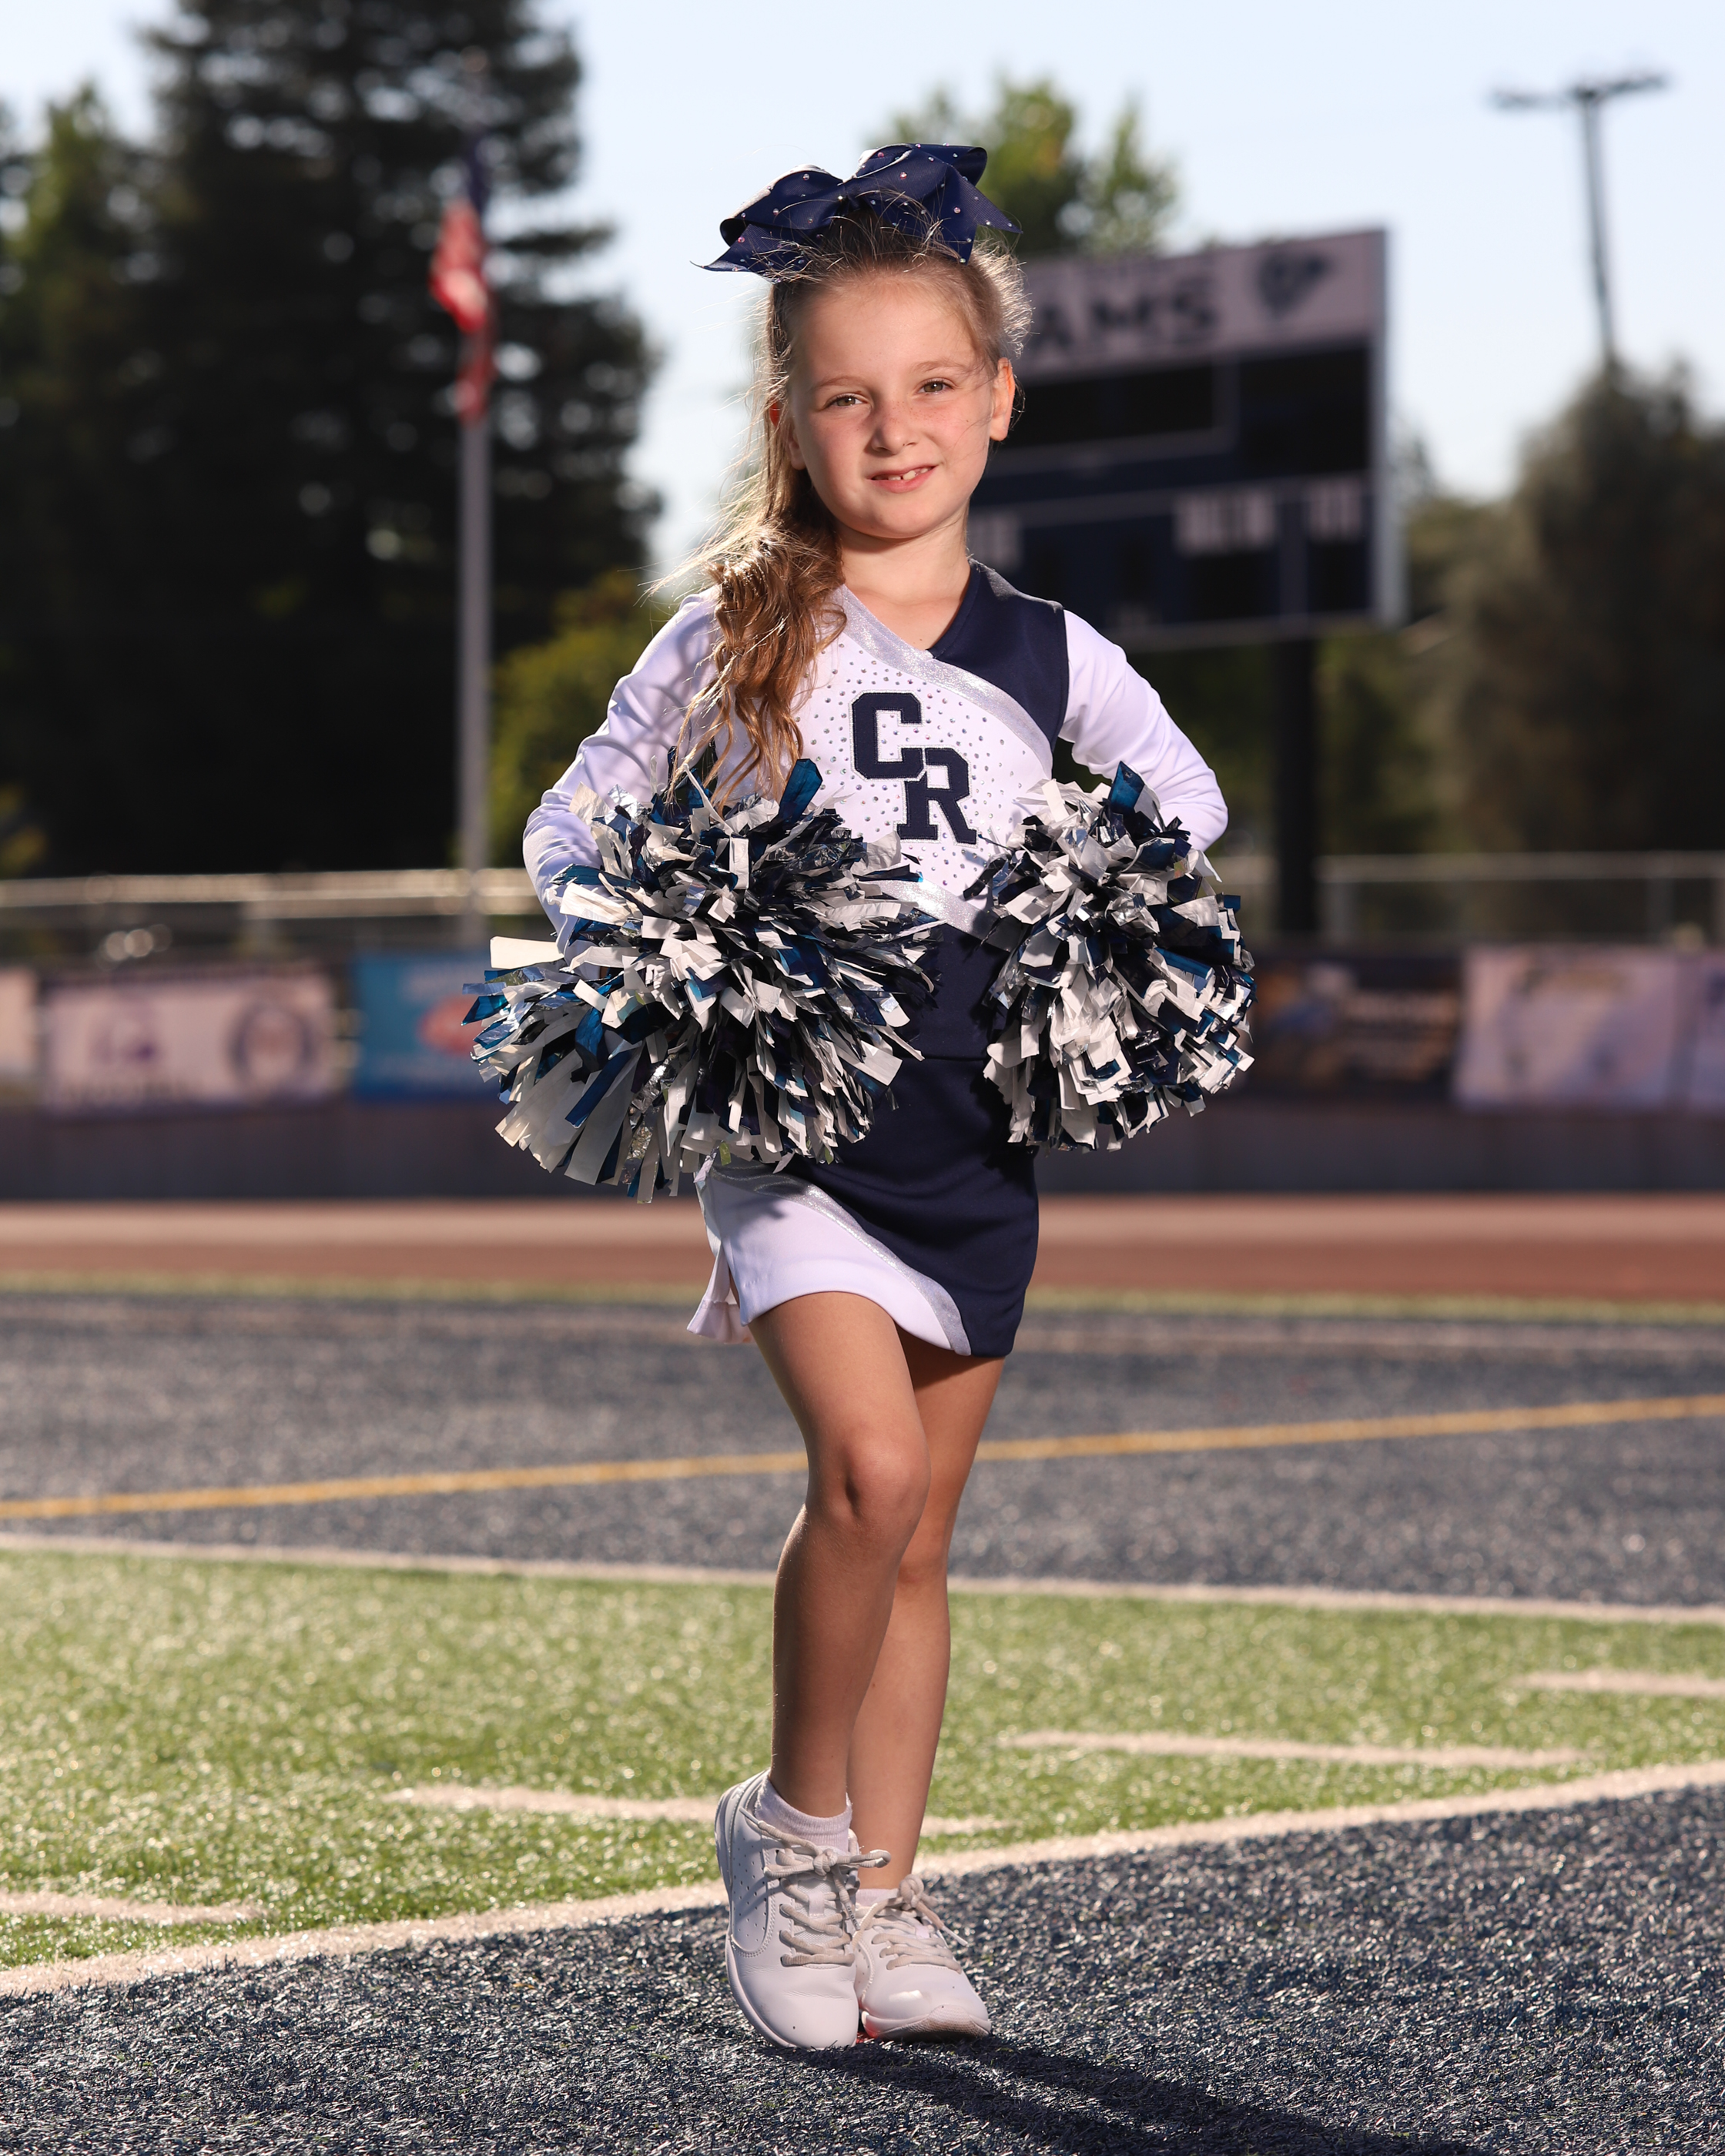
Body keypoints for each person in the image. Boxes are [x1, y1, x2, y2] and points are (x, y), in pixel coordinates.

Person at [523, 146, 1228, 2050]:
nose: (893, 427)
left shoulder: (1056, 656)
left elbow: (1186, 808)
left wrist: (1092, 915)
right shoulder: (736, 633)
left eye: (930, 386)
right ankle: (791, 1832)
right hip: (795, 1145)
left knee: (919, 1539)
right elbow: (574, 823)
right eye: (846, 395)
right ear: (791, 420)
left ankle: (891, 1895)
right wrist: (663, 941)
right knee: (869, 1471)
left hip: (973, 1143)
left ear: (996, 400)